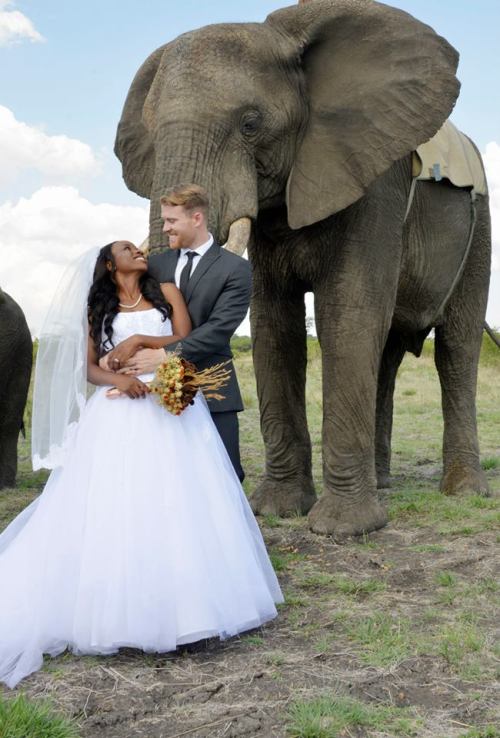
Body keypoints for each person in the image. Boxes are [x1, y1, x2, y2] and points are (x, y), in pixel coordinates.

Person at [0, 241, 282, 689]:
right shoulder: (96, 308)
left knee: (181, 500)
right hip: (118, 410)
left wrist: (140, 341)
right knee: (121, 502)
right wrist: (120, 379)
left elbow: (182, 340)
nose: (139, 249)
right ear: (112, 265)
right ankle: (123, 614)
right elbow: (90, 368)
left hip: (174, 406)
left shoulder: (167, 291)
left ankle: (193, 609)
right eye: (128, 249)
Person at [103, 184, 251, 482]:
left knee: (225, 475)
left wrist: (164, 355)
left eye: (171, 221)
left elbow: (219, 329)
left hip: (212, 384)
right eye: (164, 221)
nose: (165, 227)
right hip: (151, 394)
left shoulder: (236, 269)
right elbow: (123, 304)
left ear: (196, 218)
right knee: (163, 476)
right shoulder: (154, 265)